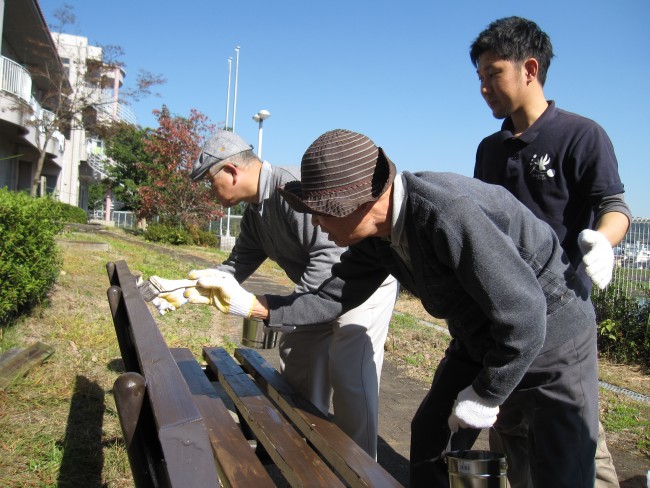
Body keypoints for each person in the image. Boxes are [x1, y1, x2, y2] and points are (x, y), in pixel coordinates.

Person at [194, 128, 600, 488]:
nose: (316, 224)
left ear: (355, 204)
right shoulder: (378, 237)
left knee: (558, 469)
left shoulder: (447, 213)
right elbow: (332, 297)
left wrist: (487, 393)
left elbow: (525, 315)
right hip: (479, 335)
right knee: (430, 435)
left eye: (319, 212)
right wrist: (255, 305)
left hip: (553, 336)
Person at [470, 16, 632, 488]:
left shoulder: (581, 135)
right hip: (505, 313)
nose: (483, 88)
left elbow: (614, 205)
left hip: (563, 316)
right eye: (478, 77)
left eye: (492, 73)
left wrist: (603, 239)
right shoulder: (490, 149)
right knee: (511, 431)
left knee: (576, 435)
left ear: (529, 69)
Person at [178, 129, 398, 458]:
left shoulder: (292, 189)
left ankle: (360, 470)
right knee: (297, 364)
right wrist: (186, 287)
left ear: (231, 171)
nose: (211, 192)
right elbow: (238, 263)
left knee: (350, 372)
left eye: (210, 181)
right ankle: (306, 457)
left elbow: (329, 260)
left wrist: (284, 311)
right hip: (317, 292)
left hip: (361, 286)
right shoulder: (256, 213)